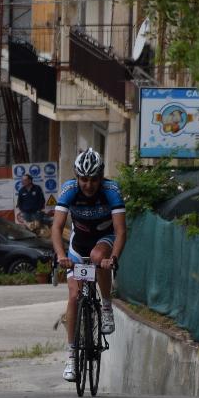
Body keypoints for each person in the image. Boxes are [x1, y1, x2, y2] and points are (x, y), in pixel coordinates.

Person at [50, 148, 126, 381]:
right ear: (77, 177)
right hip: (78, 243)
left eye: (93, 179)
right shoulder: (69, 190)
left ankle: (106, 306)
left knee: (97, 256)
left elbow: (121, 230)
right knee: (74, 296)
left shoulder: (111, 190)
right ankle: (72, 357)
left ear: (101, 177)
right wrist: (61, 255)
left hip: (104, 238)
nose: (88, 184)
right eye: (84, 179)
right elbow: (56, 227)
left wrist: (113, 258)